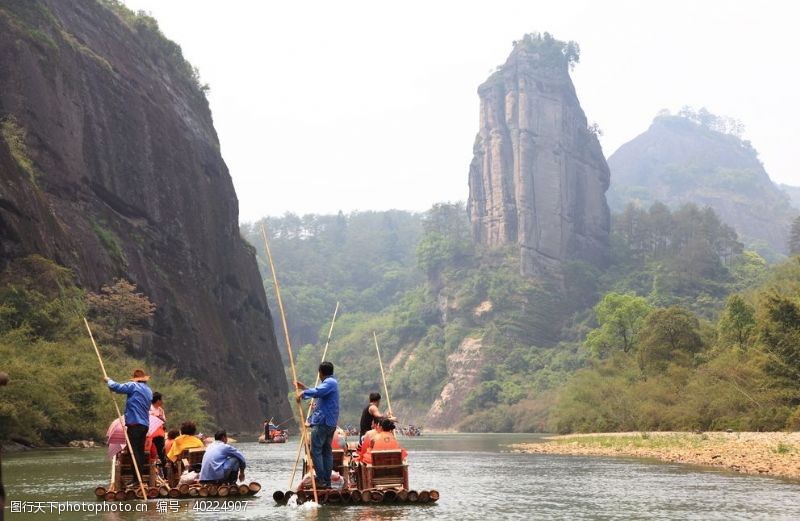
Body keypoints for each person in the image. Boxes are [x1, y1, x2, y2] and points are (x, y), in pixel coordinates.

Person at [106, 369, 153, 487]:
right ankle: (138, 478)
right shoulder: (149, 391)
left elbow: (116, 387)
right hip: (144, 425)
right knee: (140, 452)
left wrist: (108, 380)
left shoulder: (133, 385)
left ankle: (137, 480)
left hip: (135, 424)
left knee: (134, 452)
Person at [296, 361, 339, 488]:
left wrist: (303, 393)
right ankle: (326, 481)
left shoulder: (330, 383)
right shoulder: (330, 383)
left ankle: (322, 480)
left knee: (316, 451)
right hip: (329, 423)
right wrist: (304, 388)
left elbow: (318, 392)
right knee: (326, 451)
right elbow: (318, 392)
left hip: (323, 423)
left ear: (321, 372)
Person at [149, 392, 167, 470]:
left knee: (162, 453)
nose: (162, 401)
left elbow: (164, 420)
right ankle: (151, 470)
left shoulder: (160, 410)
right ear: (158, 400)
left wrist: (160, 418)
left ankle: (164, 473)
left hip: (160, 434)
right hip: (150, 434)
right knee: (150, 452)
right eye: (161, 399)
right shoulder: (149, 408)